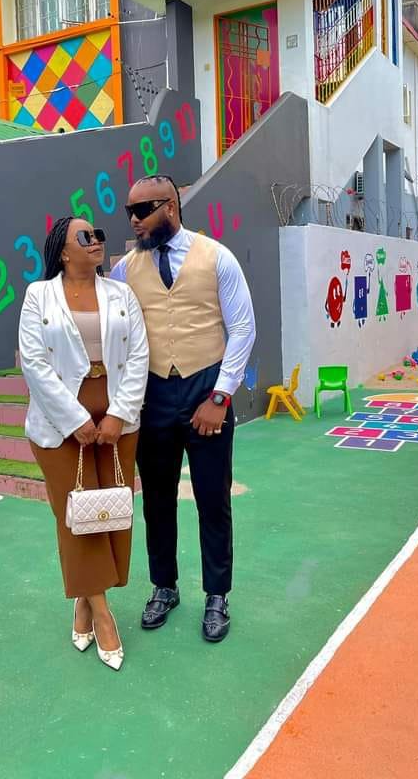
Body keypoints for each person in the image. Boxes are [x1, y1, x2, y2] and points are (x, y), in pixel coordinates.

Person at [110, 176, 256, 643]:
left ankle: (217, 594)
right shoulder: (124, 271)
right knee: (156, 501)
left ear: (170, 206)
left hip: (205, 388)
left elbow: (243, 328)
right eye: (129, 212)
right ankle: (164, 586)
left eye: (142, 210)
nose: (134, 221)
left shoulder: (217, 257)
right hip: (151, 395)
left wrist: (220, 396)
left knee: (213, 499)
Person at [19, 217, 149, 671]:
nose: (95, 241)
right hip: (58, 423)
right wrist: (74, 419)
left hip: (116, 418)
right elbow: (34, 363)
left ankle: (84, 602)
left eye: (97, 235)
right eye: (84, 237)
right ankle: (103, 613)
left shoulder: (121, 294)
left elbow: (138, 355)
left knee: (110, 511)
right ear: (62, 250)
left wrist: (118, 414)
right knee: (77, 516)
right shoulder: (39, 296)